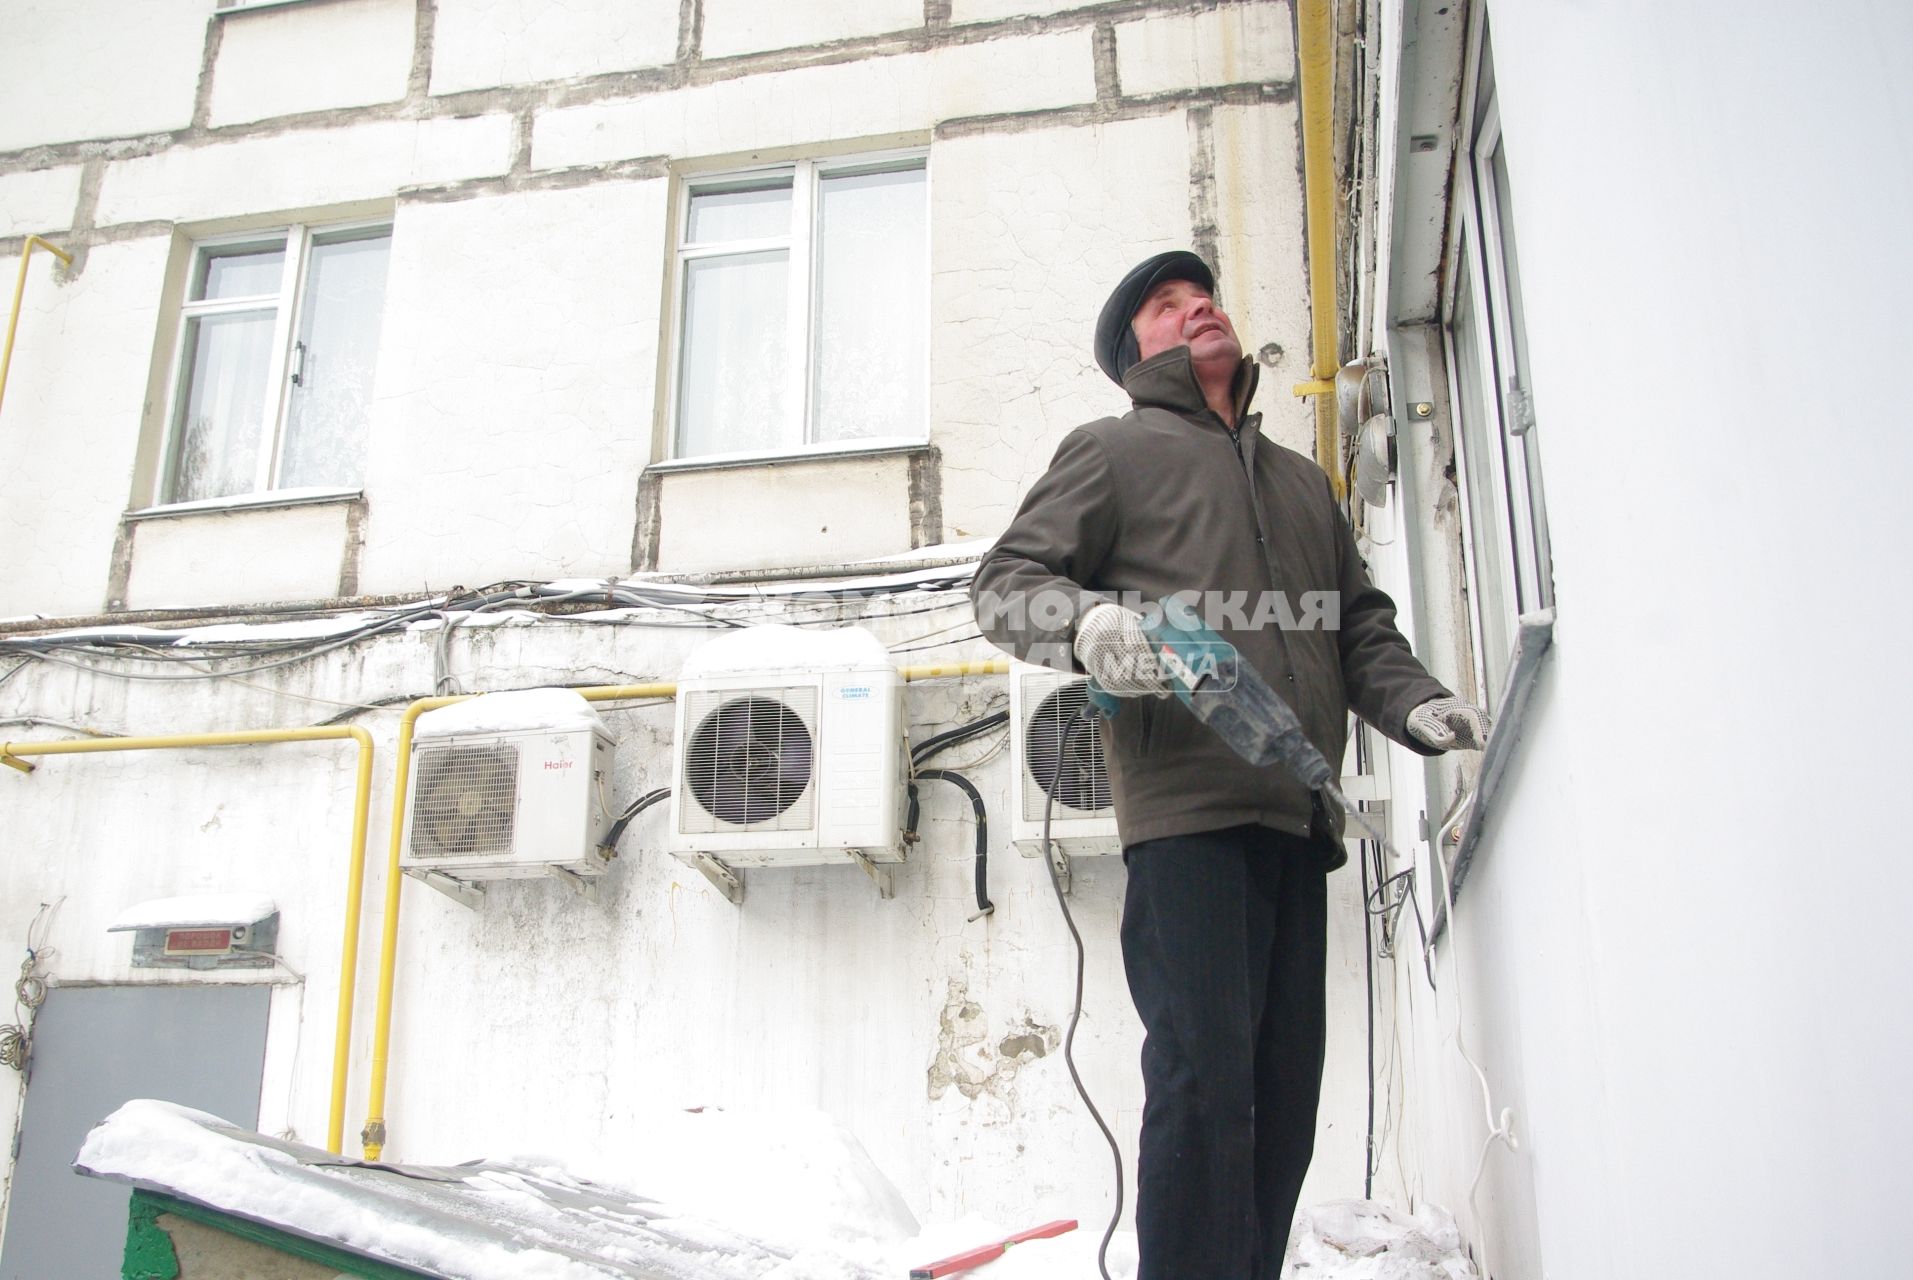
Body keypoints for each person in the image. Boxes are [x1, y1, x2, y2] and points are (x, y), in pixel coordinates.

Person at [969, 250, 1488, 1279]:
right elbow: (1004, 582)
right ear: (1136, 353)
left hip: (1298, 818)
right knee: (1205, 1087)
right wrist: (1091, 624)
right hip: (1187, 813)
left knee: (1280, 1097)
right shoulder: (1113, 450)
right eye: (1165, 305)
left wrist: (1414, 701)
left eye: (1200, 293)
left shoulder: (1302, 484)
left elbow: (1357, 631)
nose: (1195, 304)